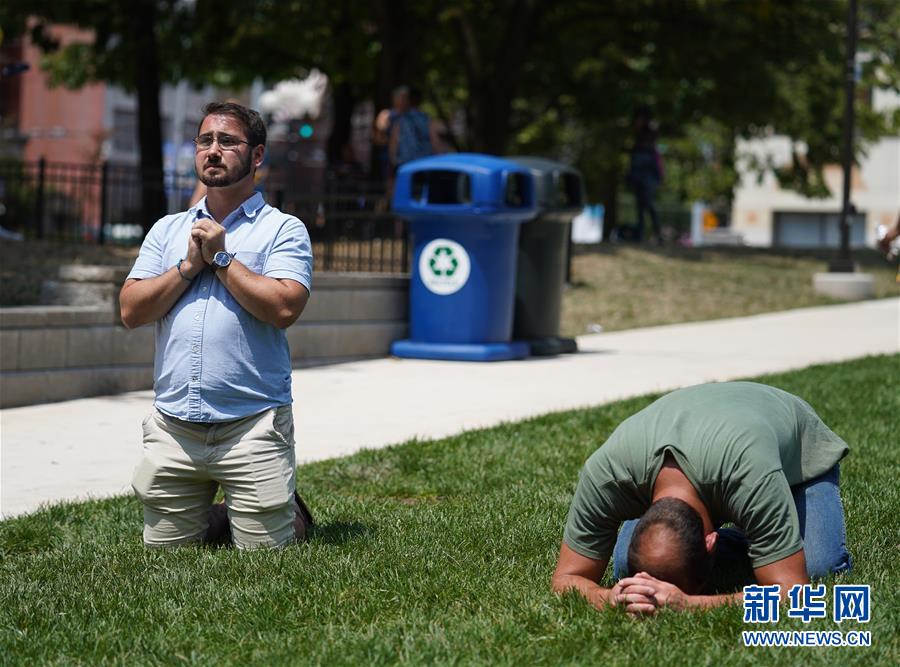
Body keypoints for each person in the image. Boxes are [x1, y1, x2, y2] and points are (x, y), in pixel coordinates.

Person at [120, 101, 314, 549]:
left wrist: (222, 260)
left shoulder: (283, 230)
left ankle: (286, 510)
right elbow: (131, 310)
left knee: (266, 561)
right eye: (205, 140)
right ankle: (230, 510)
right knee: (164, 559)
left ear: (257, 156)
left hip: (252, 423)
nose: (213, 150)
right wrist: (188, 268)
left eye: (228, 141)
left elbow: (285, 308)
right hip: (174, 427)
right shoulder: (167, 231)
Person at [551, 382, 851, 615]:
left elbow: (794, 593)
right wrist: (610, 597)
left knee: (816, 567)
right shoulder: (607, 476)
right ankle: (767, 542)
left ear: (711, 543)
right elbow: (566, 579)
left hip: (792, 453)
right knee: (624, 568)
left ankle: (768, 539)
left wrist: (690, 604)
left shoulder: (749, 474)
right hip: (718, 443)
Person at [625, 107, 663, 244]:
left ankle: (657, 233)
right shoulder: (637, 136)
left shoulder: (651, 133)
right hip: (638, 173)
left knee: (649, 204)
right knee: (640, 206)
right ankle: (640, 234)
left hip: (648, 174)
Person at [389, 86, 436, 174]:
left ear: (408, 101)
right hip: (425, 164)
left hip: (405, 166)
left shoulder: (400, 120)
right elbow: (435, 142)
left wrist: (393, 161)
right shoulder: (426, 119)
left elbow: (393, 144)